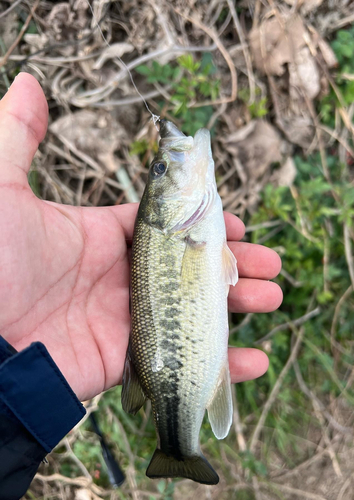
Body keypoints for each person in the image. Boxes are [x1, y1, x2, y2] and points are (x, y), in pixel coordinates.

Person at [0, 73, 283, 499]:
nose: (167, 159)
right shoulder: (186, 228)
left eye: (161, 167)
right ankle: (178, 447)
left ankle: (177, 445)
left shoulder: (187, 228)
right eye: (161, 169)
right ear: (162, 207)